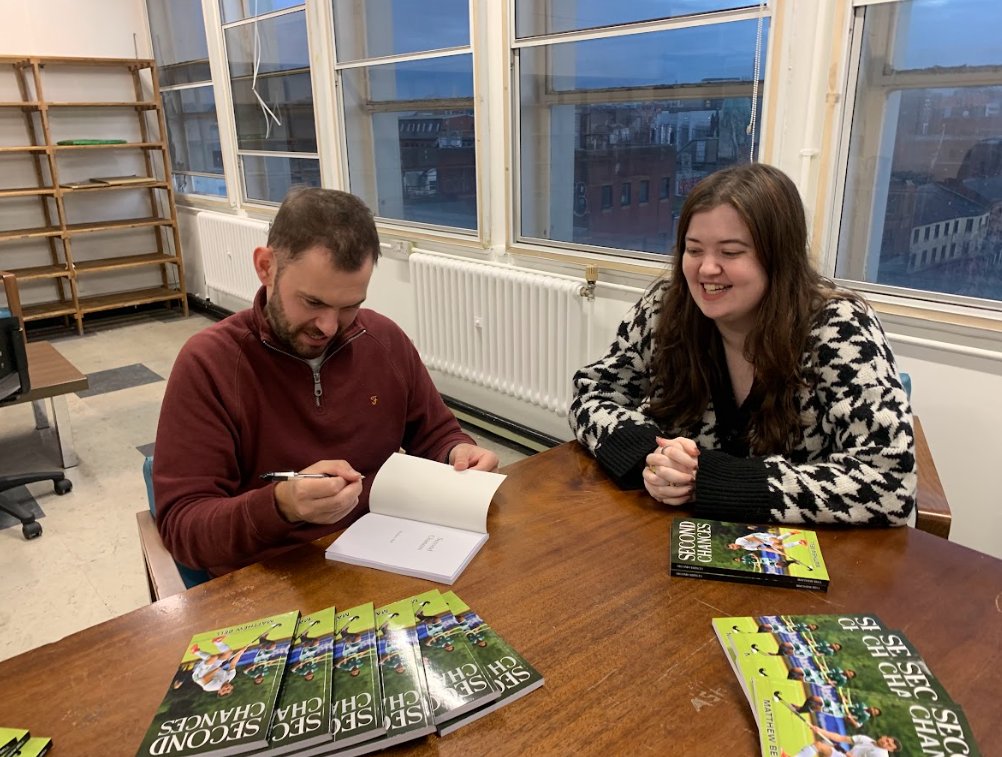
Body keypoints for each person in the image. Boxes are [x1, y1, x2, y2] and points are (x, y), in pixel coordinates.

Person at [154, 188, 499, 576]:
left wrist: (457, 452)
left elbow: (435, 433)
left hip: (386, 560)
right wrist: (281, 505)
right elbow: (184, 527)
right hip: (275, 578)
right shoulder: (209, 364)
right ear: (266, 267)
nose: (329, 327)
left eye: (351, 305)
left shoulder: (383, 340)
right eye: (313, 303)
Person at [569, 163, 915, 526]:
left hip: (811, 555)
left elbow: (891, 483)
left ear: (778, 257)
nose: (706, 270)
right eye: (694, 250)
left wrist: (715, 481)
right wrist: (651, 459)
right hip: (674, 537)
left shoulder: (839, 328)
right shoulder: (665, 308)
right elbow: (591, 394)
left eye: (731, 253)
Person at [793, 725, 900, 756]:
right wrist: (820, 730)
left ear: (890, 750)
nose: (885, 743)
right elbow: (840, 738)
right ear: (885, 736)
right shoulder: (866, 739)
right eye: (887, 740)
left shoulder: (881, 755)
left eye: (889, 745)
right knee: (819, 745)